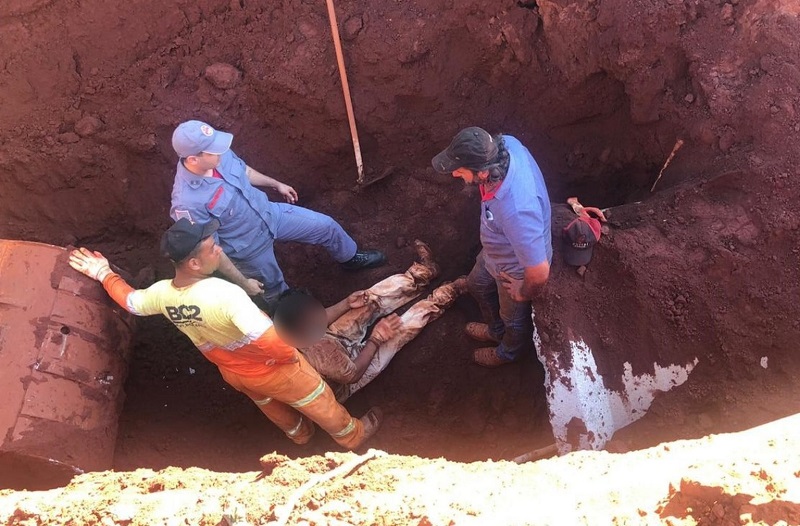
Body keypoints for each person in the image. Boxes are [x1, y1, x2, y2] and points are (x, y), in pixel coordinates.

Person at [67, 219, 381, 449]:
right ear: (193, 262)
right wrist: (293, 360)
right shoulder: (223, 295)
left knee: (271, 405)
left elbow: (131, 302)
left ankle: (300, 436)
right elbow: (271, 341)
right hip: (274, 370)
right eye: (211, 248)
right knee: (318, 400)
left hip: (234, 373)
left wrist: (103, 273)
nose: (218, 249)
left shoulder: (164, 293)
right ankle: (352, 436)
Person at [170, 120, 386, 302]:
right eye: (214, 150)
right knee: (275, 292)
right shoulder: (187, 202)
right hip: (248, 249)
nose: (221, 151)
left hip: (269, 214)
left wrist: (276, 184)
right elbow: (211, 250)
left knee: (327, 226)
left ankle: (350, 258)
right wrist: (244, 283)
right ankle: (291, 323)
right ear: (193, 159)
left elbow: (244, 171)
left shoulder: (219, 155)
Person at [269, 241, 467, 401]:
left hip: (331, 340)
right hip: (349, 374)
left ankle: (423, 273)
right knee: (397, 333)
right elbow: (352, 374)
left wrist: (347, 303)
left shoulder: (279, 329)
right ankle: (446, 295)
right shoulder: (321, 364)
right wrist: (375, 339)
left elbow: (318, 321)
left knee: (367, 300)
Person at [432, 127, 552, 367]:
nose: (454, 173)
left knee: (512, 318)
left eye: (460, 169)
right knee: (476, 284)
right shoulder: (505, 144)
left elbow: (539, 273)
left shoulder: (517, 211)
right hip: (496, 248)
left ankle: (508, 351)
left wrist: (523, 291)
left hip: (514, 267)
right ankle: (495, 331)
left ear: (483, 172)